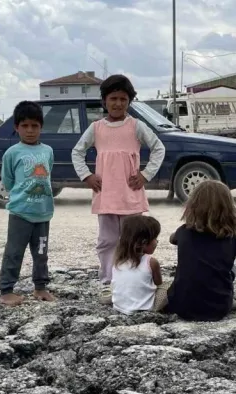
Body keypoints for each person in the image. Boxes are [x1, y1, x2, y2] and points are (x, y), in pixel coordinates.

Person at [71, 74, 166, 285]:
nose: (118, 103)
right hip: (105, 197)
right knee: (107, 241)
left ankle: (134, 278)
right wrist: (87, 176)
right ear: (104, 100)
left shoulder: (136, 126)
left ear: (129, 101)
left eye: (123, 99)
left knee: (134, 239)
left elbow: (159, 148)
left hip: (130, 197)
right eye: (113, 98)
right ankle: (108, 279)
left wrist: (145, 175)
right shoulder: (96, 128)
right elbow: (77, 152)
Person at [166, 180, 236, 321]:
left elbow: (171, 239)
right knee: (229, 266)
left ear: (192, 206)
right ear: (229, 209)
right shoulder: (233, 239)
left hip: (181, 306)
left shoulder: (183, 232)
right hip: (218, 308)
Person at [0, 101, 56, 307]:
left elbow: (48, 174)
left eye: (35, 126)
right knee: (14, 251)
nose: (30, 131)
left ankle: (40, 287)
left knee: (41, 252)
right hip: (20, 213)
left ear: (41, 127)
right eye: (25, 126)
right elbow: (9, 180)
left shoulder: (47, 151)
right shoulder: (12, 153)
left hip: (43, 213)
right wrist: (22, 196)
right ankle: (6, 290)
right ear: (16, 127)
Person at [104, 215, 168, 314]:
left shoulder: (118, 261)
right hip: (144, 309)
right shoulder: (151, 262)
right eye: (155, 238)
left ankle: (109, 297)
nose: (157, 242)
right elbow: (159, 284)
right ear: (144, 242)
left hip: (119, 308)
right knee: (165, 287)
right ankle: (155, 310)